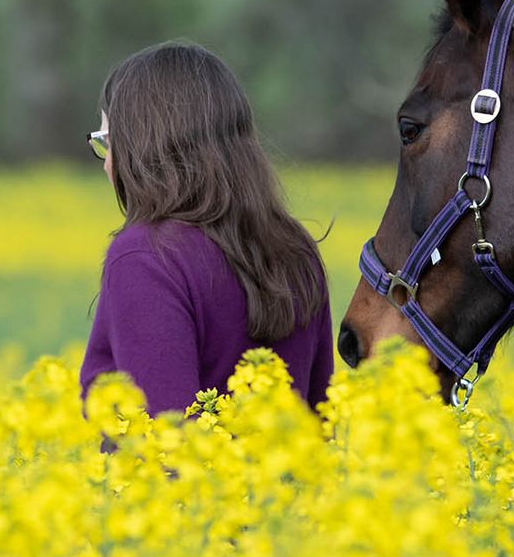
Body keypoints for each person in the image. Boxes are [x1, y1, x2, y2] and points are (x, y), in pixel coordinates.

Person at [79, 41, 334, 416]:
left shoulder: (145, 257)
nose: (107, 164)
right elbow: (319, 420)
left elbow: (165, 447)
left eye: (108, 142)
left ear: (143, 145)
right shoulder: (295, 250)